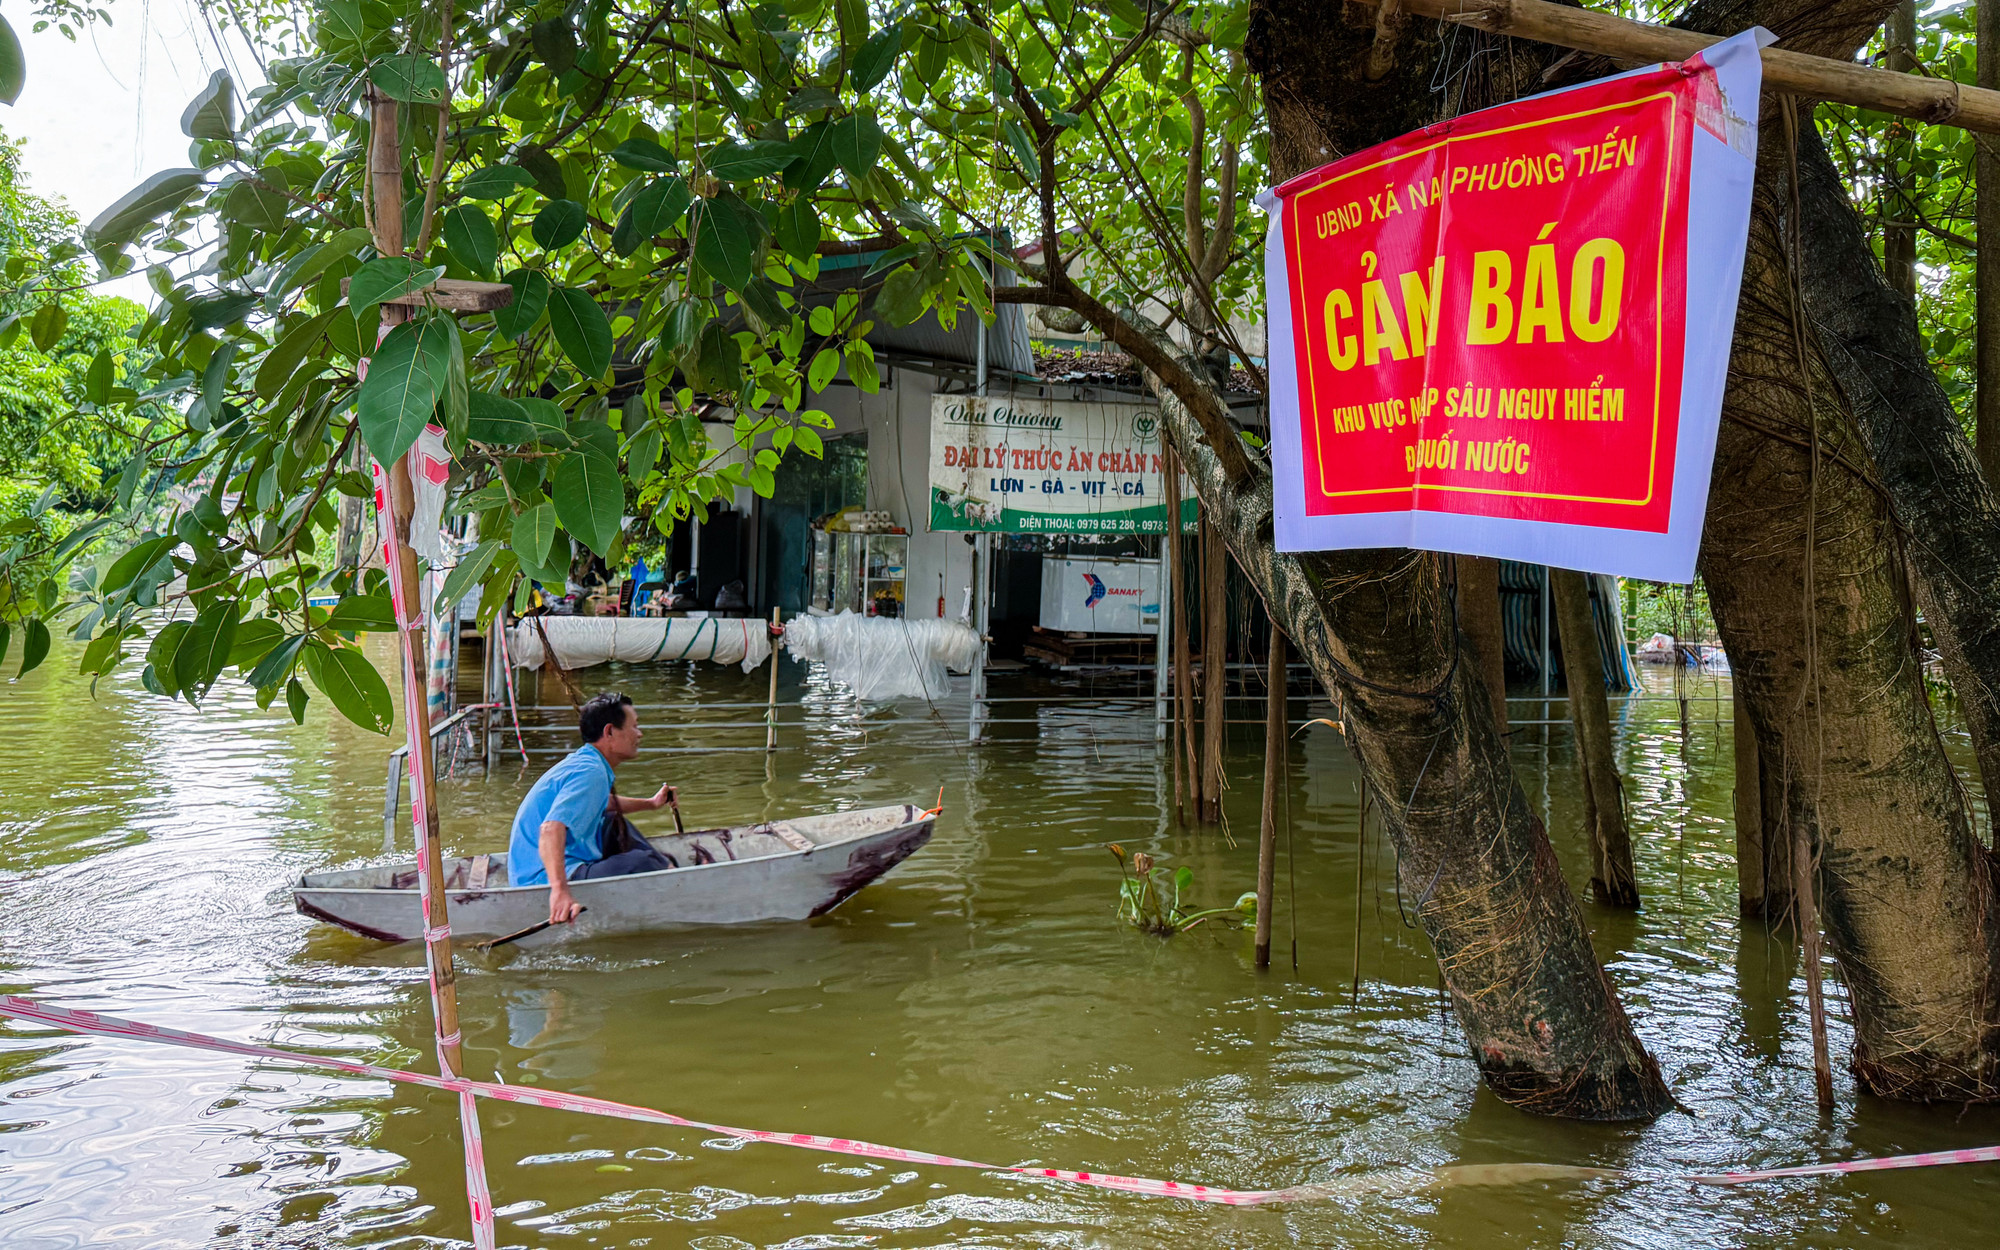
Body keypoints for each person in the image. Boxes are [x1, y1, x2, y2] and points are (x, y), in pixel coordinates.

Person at [507, 691, 678, 926]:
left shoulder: (587, 762)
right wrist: (559, 892)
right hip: (540, 879)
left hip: (542, 866)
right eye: (634, 726)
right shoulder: (591, 771)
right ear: (609, 732)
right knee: (643, 862)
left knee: (611, 821)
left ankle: (666, 868)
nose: (640, 733)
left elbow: (600, 803)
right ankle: (665, 870)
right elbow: (550, 829)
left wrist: (651, 804)